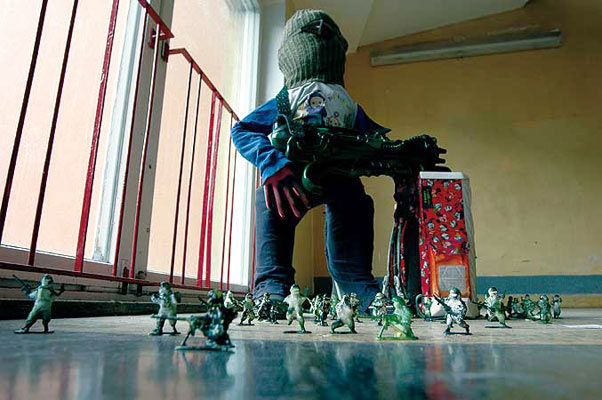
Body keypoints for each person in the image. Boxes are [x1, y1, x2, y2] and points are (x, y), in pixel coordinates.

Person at [231, 9, 388, 312]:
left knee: (354, 206)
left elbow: (376, 141)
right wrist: (273, 165)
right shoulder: (289, 100)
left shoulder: (344, 104)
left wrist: (395, 156)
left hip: (339, 178)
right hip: (290, 181)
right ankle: (271, 286)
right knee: (270, 204)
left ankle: (357, 286)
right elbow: (243, 130)